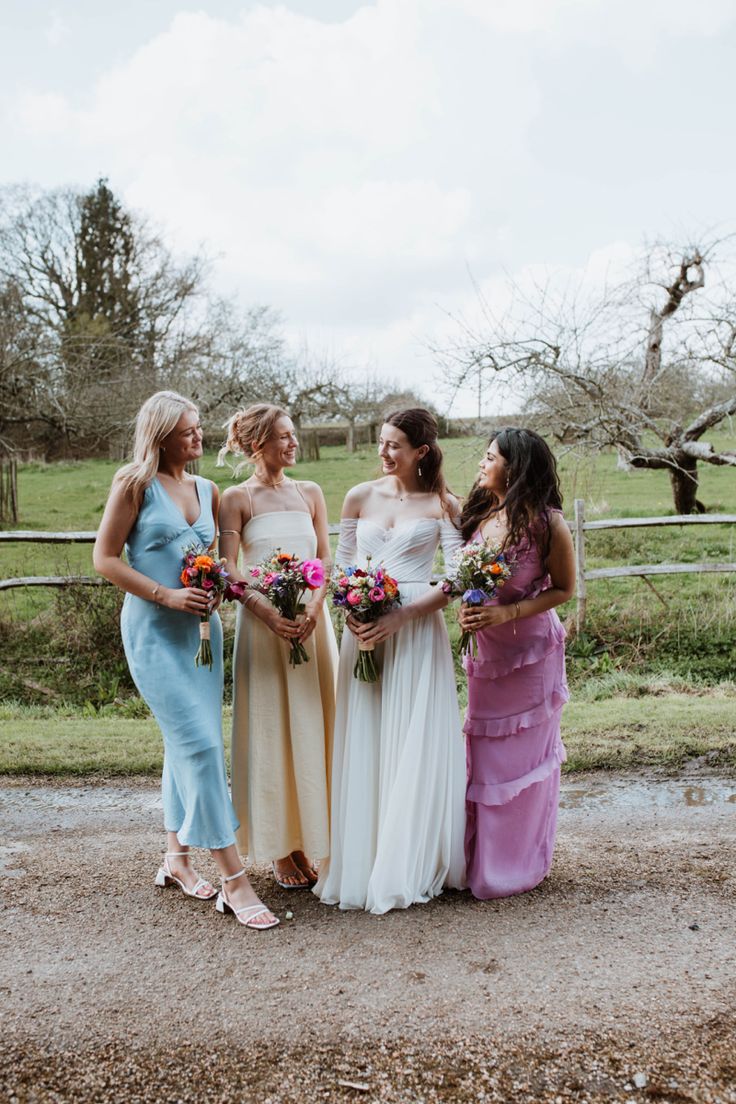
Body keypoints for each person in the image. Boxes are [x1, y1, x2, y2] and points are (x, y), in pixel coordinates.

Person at [93, 390, 278, 930]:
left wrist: (219, 587)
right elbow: (104, 558)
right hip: (154, 631)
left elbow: (222, 562)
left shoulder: (208, 488)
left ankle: (176, 860)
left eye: (199, 428)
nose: (200, 437)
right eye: (189, 431)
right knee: (198, 744)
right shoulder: (133, 484)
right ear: (162, 434)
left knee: (190, 741)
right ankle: (234, 880)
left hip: (202, 636)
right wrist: (165, 594)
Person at [315, 408, 466, 914]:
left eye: (394, 445)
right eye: (381, 442)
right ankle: (364, 858)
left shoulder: (444, 504)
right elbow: (343, 567)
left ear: (420, 452)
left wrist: (403, 617)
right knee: (367, 738)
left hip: (417, 632)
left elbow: (460, 578)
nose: (383, 453)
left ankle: (409, 860)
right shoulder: (359, 496)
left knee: (410, 740)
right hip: (364, 631)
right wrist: (353, 613)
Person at [218, 405, 337, 890]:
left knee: (314, 723)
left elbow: (325, 557)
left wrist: (311, 609)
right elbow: (228, 570)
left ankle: (314, 836)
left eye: (294, 436)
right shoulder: (235, 498)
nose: (293, 444)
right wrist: (265, 611)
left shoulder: (310, 492)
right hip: (263, 630)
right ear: (257, 444)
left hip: (312, 624)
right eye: (284, 437)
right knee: (272, 728)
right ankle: (282, 847)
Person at [457, 427, 575, 900]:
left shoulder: (549, 523)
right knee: (484, 759)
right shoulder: (484, 512)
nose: (482, 464)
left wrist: (506, 611)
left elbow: (565, 588)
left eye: (491, 458)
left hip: (531, 658)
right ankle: (481, 861)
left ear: (516, 466)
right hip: (487, 658)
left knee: (523, 762)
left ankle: (516, 866)